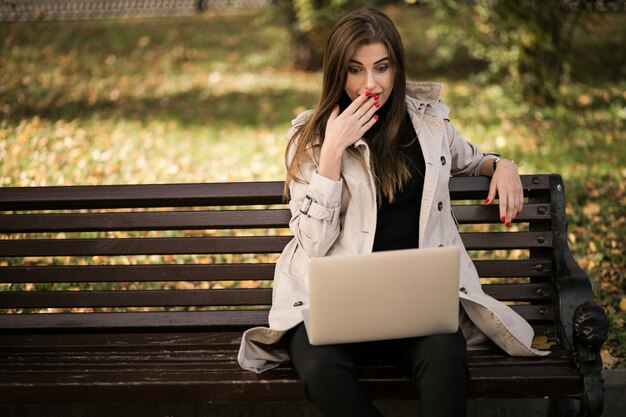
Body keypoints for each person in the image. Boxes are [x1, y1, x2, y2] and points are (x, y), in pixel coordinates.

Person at [238, 8, 548, 417]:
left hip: (412, 308)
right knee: (321, 369)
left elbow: (474, 160)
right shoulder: (310, 137)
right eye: (355, 70)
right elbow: (313, 242)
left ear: (396, 68)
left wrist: (503, 166)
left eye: (381, 68)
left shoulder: (427, 125)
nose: (370, 84)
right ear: (337, 73)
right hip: (328, 311)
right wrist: (332, 151)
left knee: (445, 355)